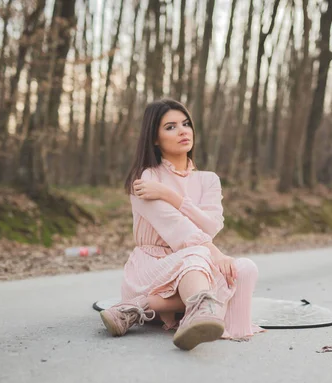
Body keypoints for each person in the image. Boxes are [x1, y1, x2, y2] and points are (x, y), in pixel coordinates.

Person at [99, 98, 263, 350]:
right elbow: (176, 228)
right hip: (153, 266)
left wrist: (170, 195)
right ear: (155, 138)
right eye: (170, 127)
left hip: (197, 261)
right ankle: (198, 310)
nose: (183, 131)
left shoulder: (208, 180)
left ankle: (142, 307)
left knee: (244, 268)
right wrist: (216, 254)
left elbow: (210, 227)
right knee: (196, 253)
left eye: (186, 124)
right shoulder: (146, 177)